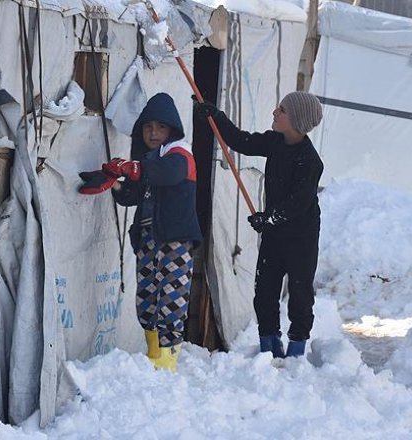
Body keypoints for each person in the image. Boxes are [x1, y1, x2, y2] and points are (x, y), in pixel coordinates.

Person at [194, 91, 323, 358]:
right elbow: (241, 141)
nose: (275, 112)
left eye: (282, 110)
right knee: (264, 292)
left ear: (297, 120)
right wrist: (217, 117)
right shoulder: (275, 142)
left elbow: (298, 203)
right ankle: (269, 346)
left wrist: (269, 218)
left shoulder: (309, 161)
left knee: (300, 294)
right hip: (274, 235)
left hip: (301, 237)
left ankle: (297, 349)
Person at [79, 92, 202, 372]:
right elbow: (132, 195)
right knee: (147, 297)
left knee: (172, 296)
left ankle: (168, 357)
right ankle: (154, 350)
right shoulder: (150, 161)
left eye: (160, 127)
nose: (153, 132)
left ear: (172, 129)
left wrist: (130, 167)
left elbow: (167, 174)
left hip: (175, 240)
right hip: (148, 239)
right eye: (148, 127)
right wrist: (113, 181)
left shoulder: (179, 154)